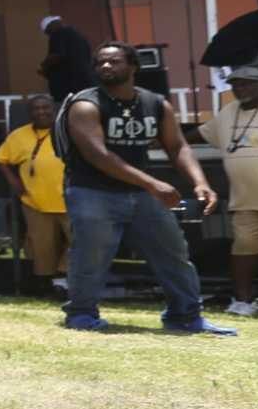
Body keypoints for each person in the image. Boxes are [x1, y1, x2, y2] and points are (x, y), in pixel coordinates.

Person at [59, 42, 235, 335]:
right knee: (91, 253)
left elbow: (177, 146)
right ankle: (81, 313)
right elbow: (98, 155)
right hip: (92, 191)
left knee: (173, 251)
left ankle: (186, 315)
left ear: (133, 67)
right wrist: (152, 183)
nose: (105, 67)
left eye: (114, 62)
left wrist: (200, 182)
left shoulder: (155, 104)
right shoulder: (85, 105)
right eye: (100, 62)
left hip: (141, 193)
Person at [204, 59, 258, 317]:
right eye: (236, 84)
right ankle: (242, 302)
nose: (240, 89)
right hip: (246, 201)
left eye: (247, 84)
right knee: (243, 251)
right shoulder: (229, 111)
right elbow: (202, 133)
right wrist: (166, 141)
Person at [0, 93, 68, 296]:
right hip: (35, 200)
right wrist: (13, 181)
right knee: (42, 245)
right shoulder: (19, 135)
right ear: (30, 113)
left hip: (71, 199)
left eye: (46, 108)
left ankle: (63, 279)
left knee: (79, 240)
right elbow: (1, 158)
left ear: (55, 110)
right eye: (36, 109)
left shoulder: (68, 130)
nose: (42, 112)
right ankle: (46, 286)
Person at [40, 15, 98, 103]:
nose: (49, 34)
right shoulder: (78, 35)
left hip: (69, 85)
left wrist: (44, 66)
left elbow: (58, 55)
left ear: (50, 26)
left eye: (47, 32)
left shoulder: (58, 33)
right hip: (84, 82)